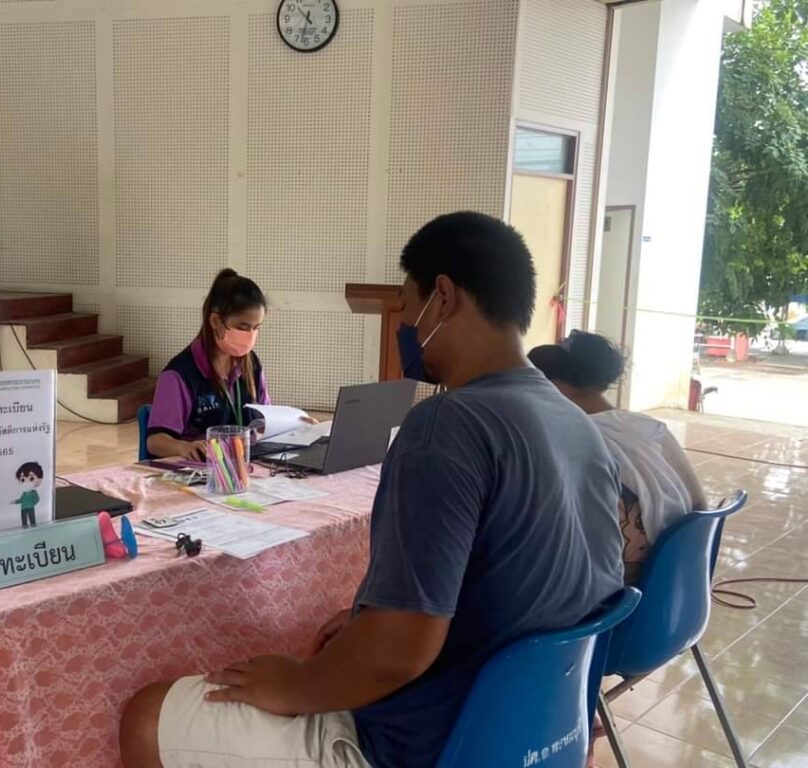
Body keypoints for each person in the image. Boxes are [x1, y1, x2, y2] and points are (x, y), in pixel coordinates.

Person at [118, 212, 624, 768]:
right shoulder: (580, 425)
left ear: (443, 298)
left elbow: (399, 653)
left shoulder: (444, 426)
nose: (404, 323)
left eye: (406, 304)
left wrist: (297, 684)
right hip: (542, 735)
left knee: (146, 716)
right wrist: (379, 619)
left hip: (427, 744)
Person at [529, 331, 707, 582]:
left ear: (555, 386)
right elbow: (701, 505)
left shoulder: (574, 441)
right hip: (679, 582)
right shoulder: (650, 428)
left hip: (620, 593)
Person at [146, 269, 270, 460]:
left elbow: (266, 420)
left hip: (246, 465)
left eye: (256, 328)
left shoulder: (251, 364)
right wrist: (182, 447)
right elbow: (155, 441)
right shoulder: (179, 374)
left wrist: (296, 426)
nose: (250, 335)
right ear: (215, 321)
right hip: (200, 469)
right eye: (242, 327)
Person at [11, 461, 43, 528]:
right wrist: (15, 501)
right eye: (22, 480)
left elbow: (37, 499)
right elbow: (21, 500)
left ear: (39, 479)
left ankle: (33, 527)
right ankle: (24, 527)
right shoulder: (24, 493)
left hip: (30, 507)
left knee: (32, 518)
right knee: (24, 519)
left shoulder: (33, 492)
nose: (26, 482)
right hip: (23, 508)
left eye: (31, 478)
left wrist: (32, 503)